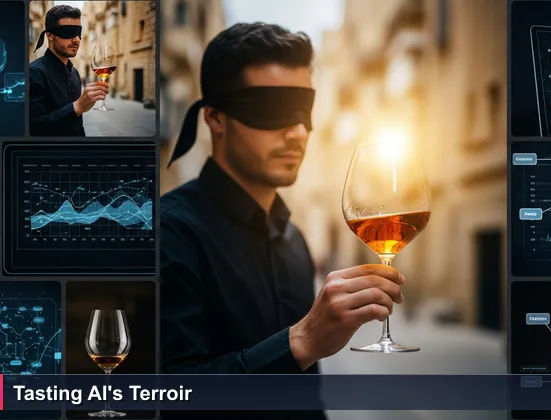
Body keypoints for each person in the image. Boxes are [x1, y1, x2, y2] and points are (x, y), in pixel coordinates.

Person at [160, 23, 405, 419]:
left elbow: (308, 392)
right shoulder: (167, 235)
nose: (296, 132)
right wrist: (302, 340)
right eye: (271, 110)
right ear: (215, 119)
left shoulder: (294, 241)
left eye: (303, 112)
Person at [29, 5, 109, 136]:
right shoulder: (34, 73)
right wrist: (77, 107)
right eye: (68, 32)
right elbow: (32, 127)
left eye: (78, 33)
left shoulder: (74, 73)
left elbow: (77, 124)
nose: (76, 39)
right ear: (49, 35)